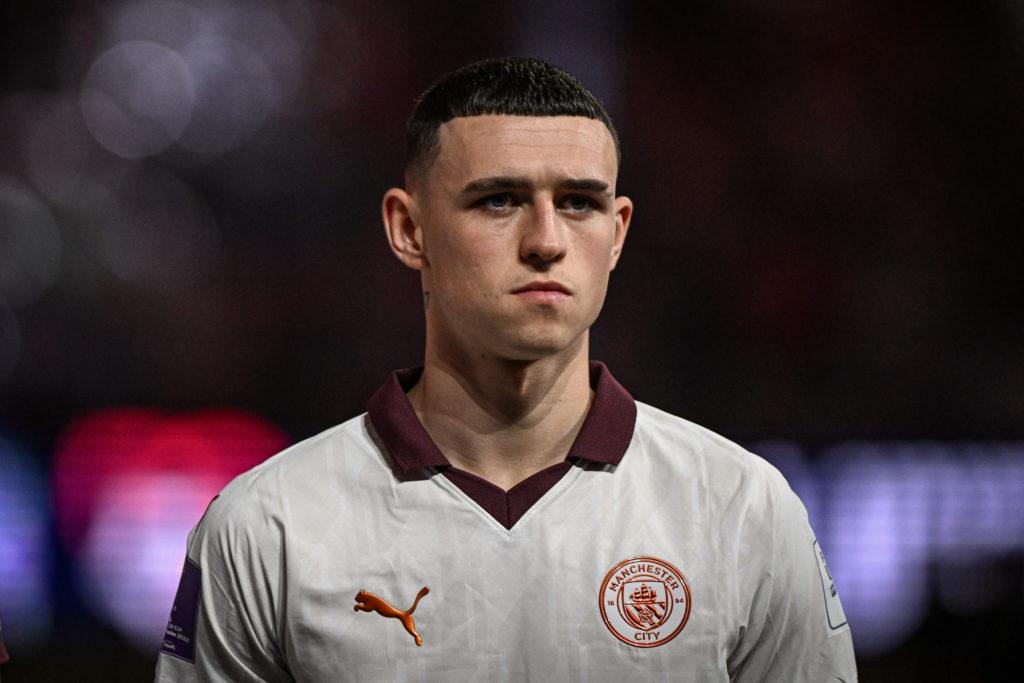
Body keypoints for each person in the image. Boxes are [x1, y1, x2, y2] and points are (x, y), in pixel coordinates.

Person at [155, 57, 857, 681]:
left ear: (617, 234)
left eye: (579, 203)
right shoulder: (265, 527)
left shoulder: (743, 509)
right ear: (409, 228)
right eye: (500, 200)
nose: (547, 241)